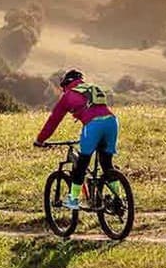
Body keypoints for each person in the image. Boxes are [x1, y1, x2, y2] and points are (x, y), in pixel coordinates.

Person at [35, 69, 119, 210]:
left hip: (93, 125)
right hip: (112, 122)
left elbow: (53, 120)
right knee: (107, 164)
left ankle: (73, 199)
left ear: (66, 84)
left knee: (82, 162)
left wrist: (40, 140)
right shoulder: (92, 88)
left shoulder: (68, 95)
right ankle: (119, 198)